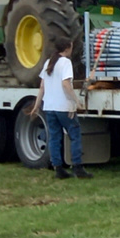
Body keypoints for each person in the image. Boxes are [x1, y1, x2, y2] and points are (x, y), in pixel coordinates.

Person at [36, 42, 91, 179]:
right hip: (63, 106)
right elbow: (66, 84)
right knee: (74, 135)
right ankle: (78, 167)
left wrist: (37, 105)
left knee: (55, 138)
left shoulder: (49, 62)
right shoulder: (66, 63)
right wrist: (76, 102)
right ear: (67, 48)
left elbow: (42, 86)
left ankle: (58, 169)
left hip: (49, 106)